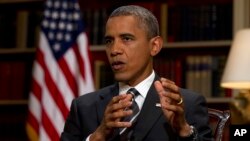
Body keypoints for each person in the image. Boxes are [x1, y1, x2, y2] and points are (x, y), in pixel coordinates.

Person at [60, 5, 213, 141]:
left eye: (126, 38)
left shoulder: (188, 104)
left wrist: (184, 131)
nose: (114, 50)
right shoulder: (83, 107)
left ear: (154, 46)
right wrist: (97, 136)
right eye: (109, 41)